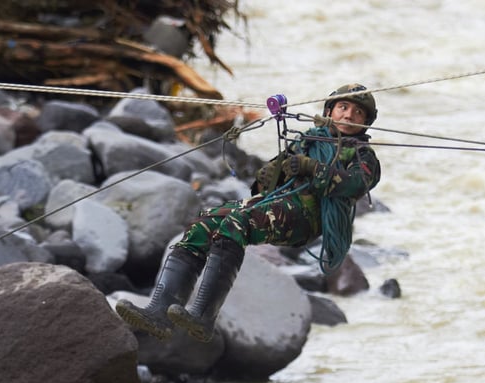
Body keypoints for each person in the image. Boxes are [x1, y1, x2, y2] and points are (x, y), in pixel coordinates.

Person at [116, 83, 382, 342]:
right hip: (279, 206)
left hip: (306, 219)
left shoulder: (363, 156)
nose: (348, 114)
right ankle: (159, 313)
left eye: (358, 112)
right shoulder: (306, 142)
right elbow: (265, 184)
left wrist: (311, 167)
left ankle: (203, 316)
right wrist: (270, 174)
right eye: (343, 107)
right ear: (328, 112)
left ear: (366, 123)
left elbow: (354, 184)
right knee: (204, 223)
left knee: (236, 223)